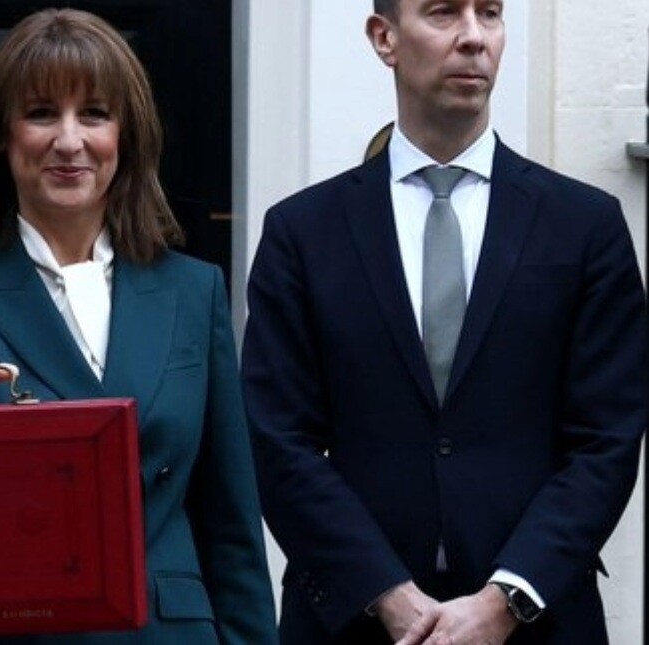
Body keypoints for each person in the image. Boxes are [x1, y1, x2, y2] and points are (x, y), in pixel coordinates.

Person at [0, 8, 276, 644]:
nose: (70, 140)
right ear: (2, 134)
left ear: (126, 136)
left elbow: (231, 524)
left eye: (96, 114)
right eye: (42, 113)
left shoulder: (194, 290)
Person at [242, 1, 647, 644]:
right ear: (384, 38)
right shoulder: (302, 233)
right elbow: (277, 438)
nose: (473, 38)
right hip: (354, 622)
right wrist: (388, 595)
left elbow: (607, 439)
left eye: (489, 14)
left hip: (540, 623)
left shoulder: (584, 228)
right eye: (443, 13)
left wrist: (506, 599)